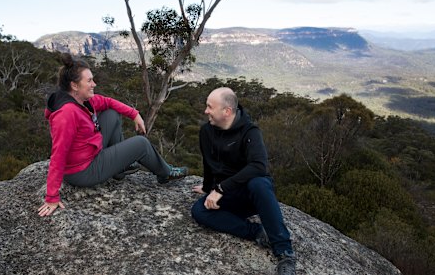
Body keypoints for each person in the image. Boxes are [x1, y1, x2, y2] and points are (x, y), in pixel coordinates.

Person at [38, 53, 188, 217]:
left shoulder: (81, 99)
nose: (94, 84)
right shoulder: (66, 114)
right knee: (141, 144)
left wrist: (134, 114)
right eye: (89, 81)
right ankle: (165, 174)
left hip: (90, 152)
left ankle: (120, 168)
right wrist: (52, 196)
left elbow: (108, 102)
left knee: (110, 113)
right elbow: (58, 155)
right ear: (74, 85)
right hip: (82, 171)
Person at [190, 87, 296, 275]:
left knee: (260, 183)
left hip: (250, 194)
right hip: (229, 195)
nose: (206, 111)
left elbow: (259, 166)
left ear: (227, 111)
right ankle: (258, 232)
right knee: (199, 210)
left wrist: (220, 188)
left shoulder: (250, 132)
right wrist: (208, 188)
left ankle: (285, 253)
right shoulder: (206, 131)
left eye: (209, 107)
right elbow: (208, 162)